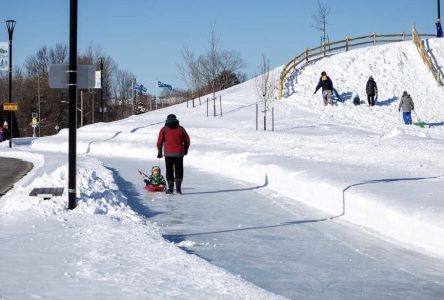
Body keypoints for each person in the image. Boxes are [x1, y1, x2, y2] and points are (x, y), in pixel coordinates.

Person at [157, 114, 190, 194]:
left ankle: (171, 189)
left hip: (168, 154)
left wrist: (160, 151)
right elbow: (187, 140)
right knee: (179, 171)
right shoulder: (181, 129)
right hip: (179, 154)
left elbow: (160, 141)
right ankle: (178, 189)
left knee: (169, 171)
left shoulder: (164, 129)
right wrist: (185, 149)